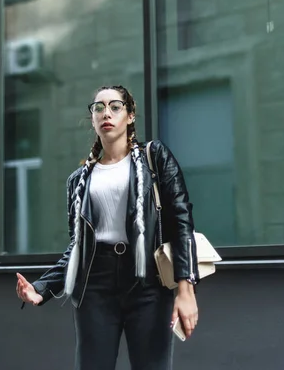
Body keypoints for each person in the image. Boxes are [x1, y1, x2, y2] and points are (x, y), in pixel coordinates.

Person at [16, 85, 199, 370]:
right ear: (92, 119)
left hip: (147, 281)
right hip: (95, 285)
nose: (106, 113)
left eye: (115, 107)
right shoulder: (78, 181)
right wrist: (42, 288)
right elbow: (78, 247)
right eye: (99, 108)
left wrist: (186, 291)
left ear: (130, 115)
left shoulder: (155, 158)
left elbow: (181, 220)